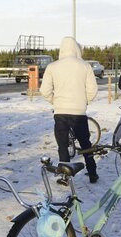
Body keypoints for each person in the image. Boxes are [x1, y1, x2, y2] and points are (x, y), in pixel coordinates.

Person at [40, 36, 99, 184]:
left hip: (60, 113)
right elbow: (93, 90)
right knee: (85, 144)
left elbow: (44, 90)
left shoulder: (52, 67)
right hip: (79, 113)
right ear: (76, 49)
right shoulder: (85, 66)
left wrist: (55, 101)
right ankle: (92, 173)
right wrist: (85, 101)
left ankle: (65, 176)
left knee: (62, 145)